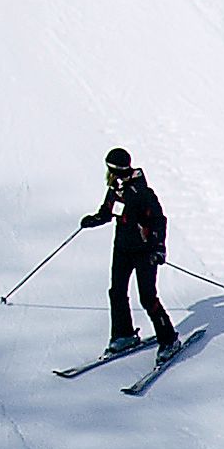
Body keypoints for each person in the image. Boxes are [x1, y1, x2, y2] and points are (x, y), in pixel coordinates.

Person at [84, 145, 178, 357]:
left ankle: (169, 339)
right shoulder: (115, 188)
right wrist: (95, 219)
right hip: (123, 249)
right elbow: (108, 212)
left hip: (144, 252)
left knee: (147, 297)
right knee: (116, 292)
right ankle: (123, 334)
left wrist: (159, 248)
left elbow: (159, 220)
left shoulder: (142, 192)